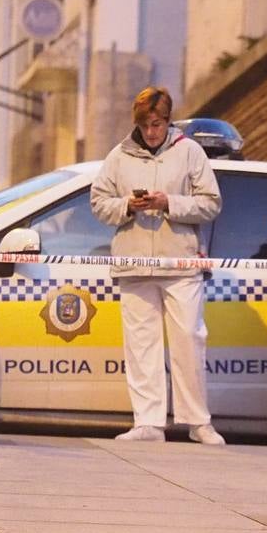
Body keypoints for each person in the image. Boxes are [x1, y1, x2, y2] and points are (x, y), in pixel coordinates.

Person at [90, 87, 226, 445]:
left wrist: (170, 203)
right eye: (146, 125)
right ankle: (148, 422)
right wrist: (126, 207)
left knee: (189, 341)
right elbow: (98, 202)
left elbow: (211, 204)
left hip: (180, 262)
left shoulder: (189, 151)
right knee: (141, 344)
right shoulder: (118, 156)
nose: (152, 131)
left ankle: (198, 421)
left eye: (158, 123)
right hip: (134, 263)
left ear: (168, 121)